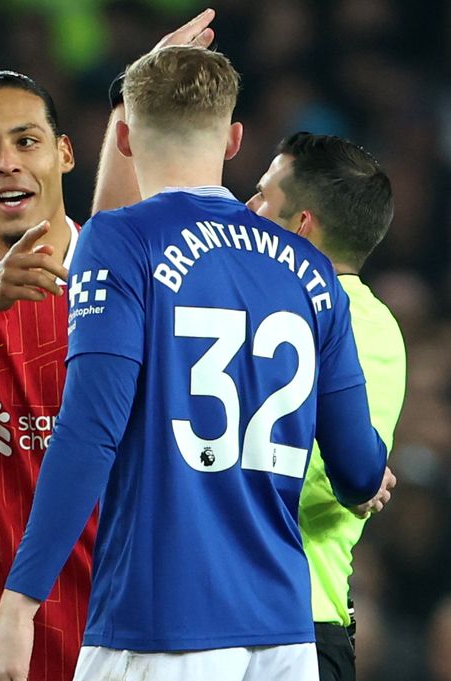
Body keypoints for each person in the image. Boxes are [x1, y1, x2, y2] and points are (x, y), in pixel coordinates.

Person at [0, 46, 387, 681]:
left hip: (160, 623)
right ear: (233, 140)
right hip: (283, 636)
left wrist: (19, 602)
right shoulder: (310, 269)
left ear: (122, 135)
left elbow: (90, 429)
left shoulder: (119, 240)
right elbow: (359, 469)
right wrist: (370, 474)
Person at [0, 12, 217, 681]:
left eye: (25, 141)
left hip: (122, 629)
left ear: (64, 153)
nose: (5, 161)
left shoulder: (124, 270)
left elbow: (113, 225)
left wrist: (136, 99)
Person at [247, 132, 405, 681]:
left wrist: (360, 477)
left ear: (300, 225)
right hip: (215, 616)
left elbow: (327, 487)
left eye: (263, 197)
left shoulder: (369, 328)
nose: (247, 209)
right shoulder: (256, 317)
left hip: (301, 622)